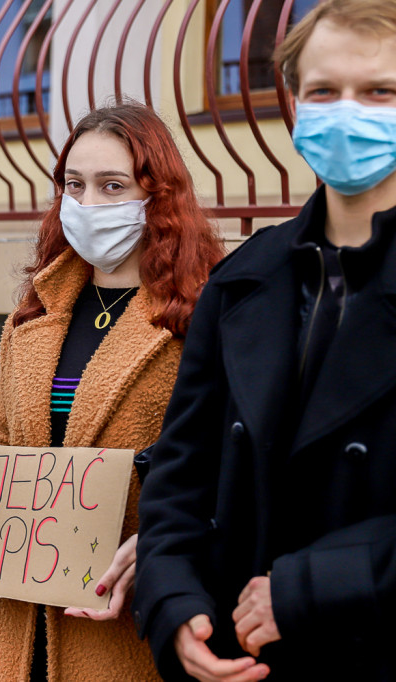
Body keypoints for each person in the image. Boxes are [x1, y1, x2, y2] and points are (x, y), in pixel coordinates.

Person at [134, 2, 396, 680]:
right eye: (323, 91)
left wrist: (312, 587)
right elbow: (180, 475)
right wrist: (174, 601)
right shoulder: (245, 278)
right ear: (295, 104)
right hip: (239, 659)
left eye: (379, 91)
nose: (348, 112)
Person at [0, 104, 225, 681]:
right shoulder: (34, 315)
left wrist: (162, 545)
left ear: (158, 198)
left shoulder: (198, 322)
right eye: (74, 184)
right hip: (19, 621)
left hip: (120, 622)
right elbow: (1, 440)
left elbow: (221, 464)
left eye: (112, 185)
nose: (88, 203)